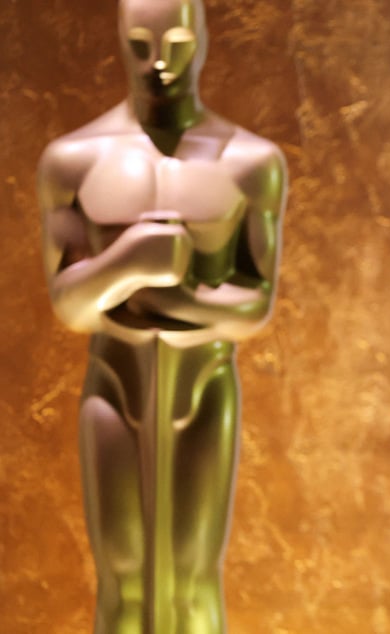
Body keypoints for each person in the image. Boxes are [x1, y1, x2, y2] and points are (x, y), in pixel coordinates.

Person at [36, 0, 286, 631]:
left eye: (175, 42)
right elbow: (69, 302)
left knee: (195, 573)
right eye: (141, 43)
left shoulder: (250, 162)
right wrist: (129, 261)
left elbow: (253, 302)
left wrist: (170, 298)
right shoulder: (74, 158)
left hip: (203, 379)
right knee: (123, 576)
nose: (159, 63)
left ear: (200, 40)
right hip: (114, 379)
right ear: (121, 42)